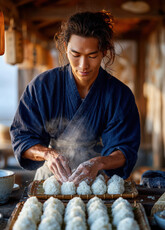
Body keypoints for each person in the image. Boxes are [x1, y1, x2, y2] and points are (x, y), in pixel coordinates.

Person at [10, 10, 140, 186]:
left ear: (104, 51)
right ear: (65, 47)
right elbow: (22, 139)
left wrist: (98, 163)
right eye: (76, 54)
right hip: (51, 178)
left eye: (92, 56)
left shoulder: (119, 95)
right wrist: (48, 154)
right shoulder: (42, 86)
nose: (83, 65)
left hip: (99, 181)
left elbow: (124, 150)